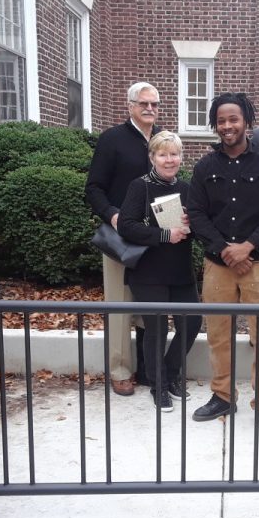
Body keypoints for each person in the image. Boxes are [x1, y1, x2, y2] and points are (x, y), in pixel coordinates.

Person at [187, 92, 259, 441]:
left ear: (247, 121)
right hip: (218, 266)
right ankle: (222, 396)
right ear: (215, 125)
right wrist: (225, 250)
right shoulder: (204, 168)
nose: (228, 126)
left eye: (234, 119)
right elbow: (197, 214)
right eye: (221, 120)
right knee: (218, 337)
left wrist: (248, 246)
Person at [116, 131, 202, 411]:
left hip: (180, 269)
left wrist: (193, 223)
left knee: (191, 324)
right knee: (156, 330)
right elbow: (126, 225)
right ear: (152, 157)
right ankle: (158, 385)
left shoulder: (187, 188)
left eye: (174, 154)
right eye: (163, 154)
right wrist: (164, 235)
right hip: (149, 271)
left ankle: (170, 372)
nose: (170, 159)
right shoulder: (139, 187)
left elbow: (200, 227)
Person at [85, 82, 161, 396]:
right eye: (143, 103)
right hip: (120, 238)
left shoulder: (161, 140)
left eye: (155, 104)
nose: (149, 109)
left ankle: (147, 369)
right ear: (129, 105)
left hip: (155, 237)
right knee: (120, 304)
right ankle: (119, 370)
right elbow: (93, 189)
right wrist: (114, 216)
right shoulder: (112, 140)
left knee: (150, 303)